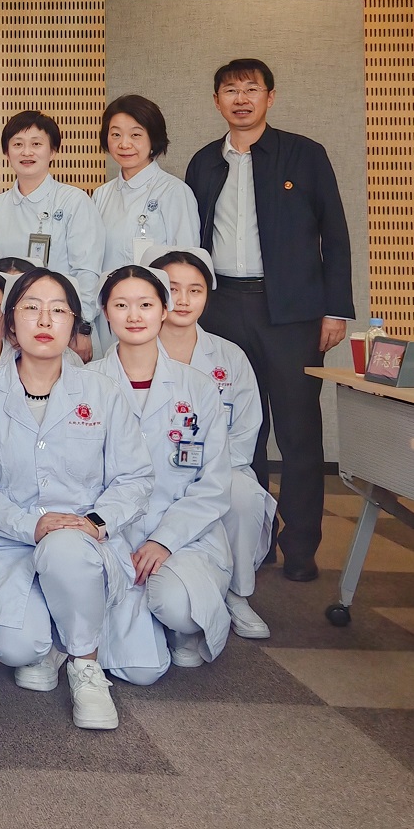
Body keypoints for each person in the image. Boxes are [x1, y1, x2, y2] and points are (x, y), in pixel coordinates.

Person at [0, 268, 163, 731]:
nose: (44, 320)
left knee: (67, 551)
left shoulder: (101, 392)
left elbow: (135, 476)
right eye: (31, 308)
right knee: (16, 647)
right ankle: (56, 637)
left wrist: (95, 521)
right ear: (11, 324)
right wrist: (27, 524)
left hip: (82, 541)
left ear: (74, 325)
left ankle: (84, 664)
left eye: (58, 310)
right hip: (7, 541)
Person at [183, 58, 354, 582]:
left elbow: (336, 233)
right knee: (239, 430)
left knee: (298, 431)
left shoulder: (305, 154)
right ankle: (253, 543)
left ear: (270, 97)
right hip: (223, 309)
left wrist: (335, 308)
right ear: (216, 101)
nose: (241, 99)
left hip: (292, 313)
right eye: (230, 90)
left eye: (251, 89)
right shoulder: (203, 162)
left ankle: (300, 546)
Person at [95, 265, 232, 668]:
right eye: (121, 305)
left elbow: (213, 483)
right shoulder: (84, 383)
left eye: (145, 305)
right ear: (105, 312)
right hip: (111, 535)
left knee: (180, 607)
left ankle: (171, 622)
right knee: (141, 669)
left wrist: (165, 540)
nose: (134, 316)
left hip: (183, 535)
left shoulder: (198, 387)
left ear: (164, 310)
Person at [148, 245, 275, 638]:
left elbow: (246, 430)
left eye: (195, 290)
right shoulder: (133, 349)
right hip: (151, 474)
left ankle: (238, 593)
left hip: (219, 469)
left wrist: (206, 474)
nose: (183, 300)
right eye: (172, 288)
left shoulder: (230, 357)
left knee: (243, 494)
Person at [0, 111, 104, 362]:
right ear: (6, 152)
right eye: (18, 144)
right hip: (10, 329)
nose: (27, 152)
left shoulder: (74, 201)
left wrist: (82, 326)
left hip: (64, 326)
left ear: (53, 151)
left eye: (36, 144)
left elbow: (87, 271)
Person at [91, 95, 198, 272]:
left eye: (135, 135)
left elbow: (186, 263)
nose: (124, 144)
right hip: (108, 289)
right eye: (116, 135)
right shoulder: (101, 194)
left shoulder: (174, 192)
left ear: (153, 139)